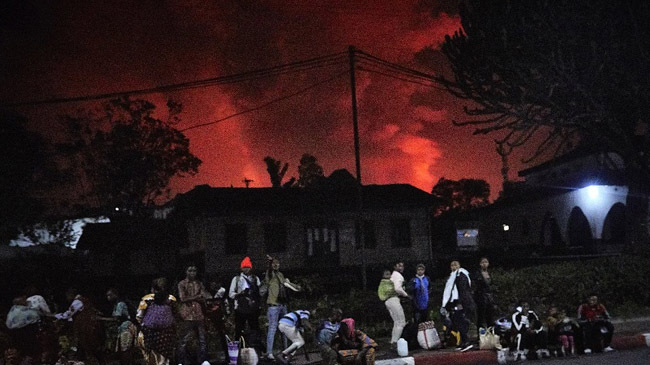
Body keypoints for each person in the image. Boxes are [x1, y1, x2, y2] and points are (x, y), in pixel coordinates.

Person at [53, 288, 104, 364]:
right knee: (89, 347)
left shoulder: (77, 301)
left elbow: (69, 314)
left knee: (87, 345)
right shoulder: (84, 301)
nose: (67, 299)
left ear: (71, 295)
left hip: (85, 327)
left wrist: (57, 316)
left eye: (67, 296)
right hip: (88, 326)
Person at [137, 278, 177, 365]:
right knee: (165, 357)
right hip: (167, 332)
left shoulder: (146, 299)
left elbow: (139, 316)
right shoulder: (171, 299)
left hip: (149, 332)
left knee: (151, 355)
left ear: (153, 288)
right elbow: (175, 314)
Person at [177, 265, 212, 365]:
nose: (192, 273)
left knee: (202, 339)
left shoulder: (199, 283)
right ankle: (181, 361)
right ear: (186, 271)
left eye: (194, 271)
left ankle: (204, 360)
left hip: (198, 313)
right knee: (184, 340)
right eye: (190, 270)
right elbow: (182, 298)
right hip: (187, 314)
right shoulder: (182, 283)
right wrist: (197, 297)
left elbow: (204, 296)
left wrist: (196, 298)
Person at [441, 260, 475, 352]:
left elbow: (462, 290)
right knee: (457, 321)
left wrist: (460, 303)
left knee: (461, 322)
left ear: (459, 266)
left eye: (455, 265)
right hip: (457, 302)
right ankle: (462, 342)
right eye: (452, 265)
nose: (453, 267)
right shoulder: (453, 276)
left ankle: (466, 342)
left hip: (462, 302)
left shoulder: (461, 275)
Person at [229, 256, 262, 348]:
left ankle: (255, 348)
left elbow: (260, 293)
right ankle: (237, 349)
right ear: (241, 268)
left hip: (253, 308)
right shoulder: (236, 279)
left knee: (255, 329)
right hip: (240, 308)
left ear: (251, 268)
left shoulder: (255, 279)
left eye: (248, 267)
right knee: (239, 330)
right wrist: (240, 294)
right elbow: (231, 294)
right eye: (244, 267)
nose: (246, 269)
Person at [102, 288, 138, 365]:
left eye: (110, 295)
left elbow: (116, 319)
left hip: (126, 328)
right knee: (125, 349)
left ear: (115, 295)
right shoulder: (116, 305)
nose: (108, 297)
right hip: (123, 328)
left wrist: (101, 318)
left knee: (125, 350)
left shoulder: (120, 304)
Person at [264, 255, 289, 360]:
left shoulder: (280, 275)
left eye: (277, 263)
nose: (276, 265)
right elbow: (269, 271)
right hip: (273, 305)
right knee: (272, 328)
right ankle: (269, 352)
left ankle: (286, 351)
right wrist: (270, 263)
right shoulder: (270, 274)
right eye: (274, 263)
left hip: (282, 305)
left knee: (285, 329)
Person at [5, 295, 42, 361]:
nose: (26, 301)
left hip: (20, 334)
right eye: (23, 300)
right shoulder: (17, 310)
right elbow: (35, 315)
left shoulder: (17, 309)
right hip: (24, 333)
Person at [385, 261, 411, 350]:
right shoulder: (398, 276)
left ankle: (393, 341)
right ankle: (395, 343)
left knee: (396, 322)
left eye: (402, 266)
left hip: (388, 300)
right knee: (401, 322)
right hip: (393, 299)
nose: (401, 267)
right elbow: (397, 288)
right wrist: (406, 295)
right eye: (399, 266)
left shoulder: (393, 275)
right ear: (395, 266)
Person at [473, 257, 496, 331]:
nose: (484, 264)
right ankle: (481, 333)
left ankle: (491, 332)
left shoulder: (490, 273)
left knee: (490, 316)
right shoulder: (477, 274)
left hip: (489, 297)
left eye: (486, 262)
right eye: (482, 262)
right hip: (481, 297)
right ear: (480, 264)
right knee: (481, 317)